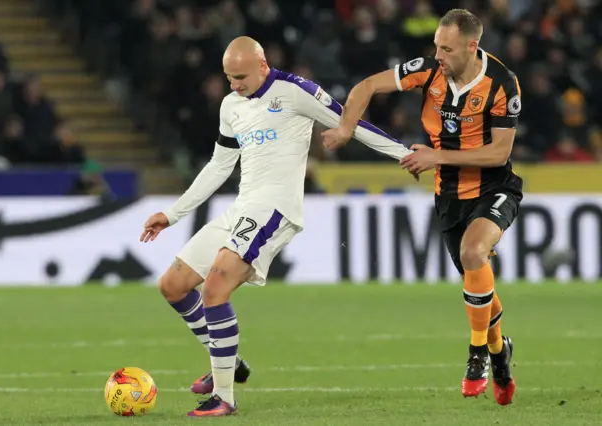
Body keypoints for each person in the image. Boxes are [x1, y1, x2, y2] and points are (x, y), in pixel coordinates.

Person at [140, 36, 413, 417]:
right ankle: (229, 361)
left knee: (216, 288)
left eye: (240, 76)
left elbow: (350, 120)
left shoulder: (295, 91)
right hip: (242, 207)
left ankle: (224, 398)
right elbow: (220, 166)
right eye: (228, 77)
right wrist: (172, 214)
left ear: (262, 66)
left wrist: (406, 153)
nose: (234, 84)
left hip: (276, 208)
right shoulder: (231, 105)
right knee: (172, 285)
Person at [322, 9, 521, 405]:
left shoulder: (502, 83)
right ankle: (500, 352)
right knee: (478, 280)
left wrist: (437, 157)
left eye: (446, 49)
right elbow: (366, 86)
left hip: (493, 187)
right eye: (435, 46)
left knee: (473, 252)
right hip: (448, 197)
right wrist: (345, 129)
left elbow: (500, 153)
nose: (438, 55)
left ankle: (477, 353)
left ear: (471, 46)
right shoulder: (428, 71)